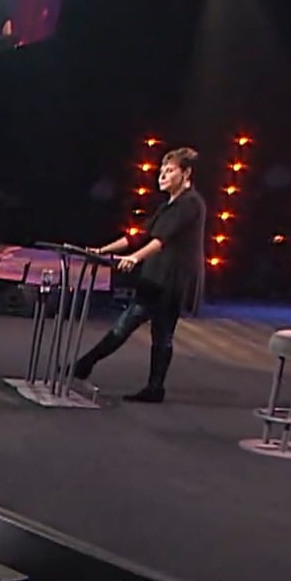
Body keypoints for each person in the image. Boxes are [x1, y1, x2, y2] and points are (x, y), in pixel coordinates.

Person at [72, 147, 207, 403]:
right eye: (161, 170)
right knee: (140, 328)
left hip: (171, 281)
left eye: (170, 171)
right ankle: (90, 367)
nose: (162, 176)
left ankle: (89, 367)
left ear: (186, 173)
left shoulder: (190, 203)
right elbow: (141, 235)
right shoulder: (168, 206)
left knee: (152, 331)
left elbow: (160, 240)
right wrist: (103, 250)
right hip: (156, 278)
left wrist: (134, 258)